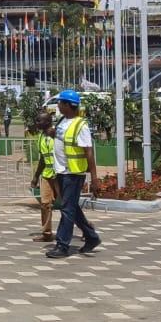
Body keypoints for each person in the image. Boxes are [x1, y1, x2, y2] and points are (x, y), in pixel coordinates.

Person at [46, 90, 102, 259]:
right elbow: (61, 138)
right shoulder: (63, 120)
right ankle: (91, 237)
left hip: (73, 173)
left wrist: (94, 178)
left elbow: (89, 152)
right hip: (62, 172)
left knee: (67, 209)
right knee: (71, 208)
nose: (58, 105)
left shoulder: (81, 125)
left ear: (69, 105)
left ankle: (62, 245)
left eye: (61, 103)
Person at [28, 113, 60, 243]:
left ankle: (87, 228)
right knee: (45, 204)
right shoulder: (41, 137)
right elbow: (43, 158)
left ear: (48, 121)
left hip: (60, 174)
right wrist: (36, 177)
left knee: (68, 205)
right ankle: (47, 233)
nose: (37, 123)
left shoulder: (57, 135)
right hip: (47, 174)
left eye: (39, 120)